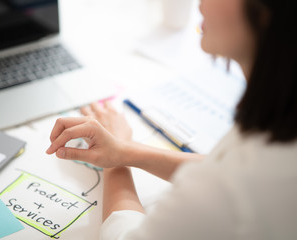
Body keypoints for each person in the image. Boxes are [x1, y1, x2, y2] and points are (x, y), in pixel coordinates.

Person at [46, 0, 297, 239]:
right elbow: (223, 165)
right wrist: (124, 149)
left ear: (270, 13)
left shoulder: (228, 189)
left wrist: (113, 167)